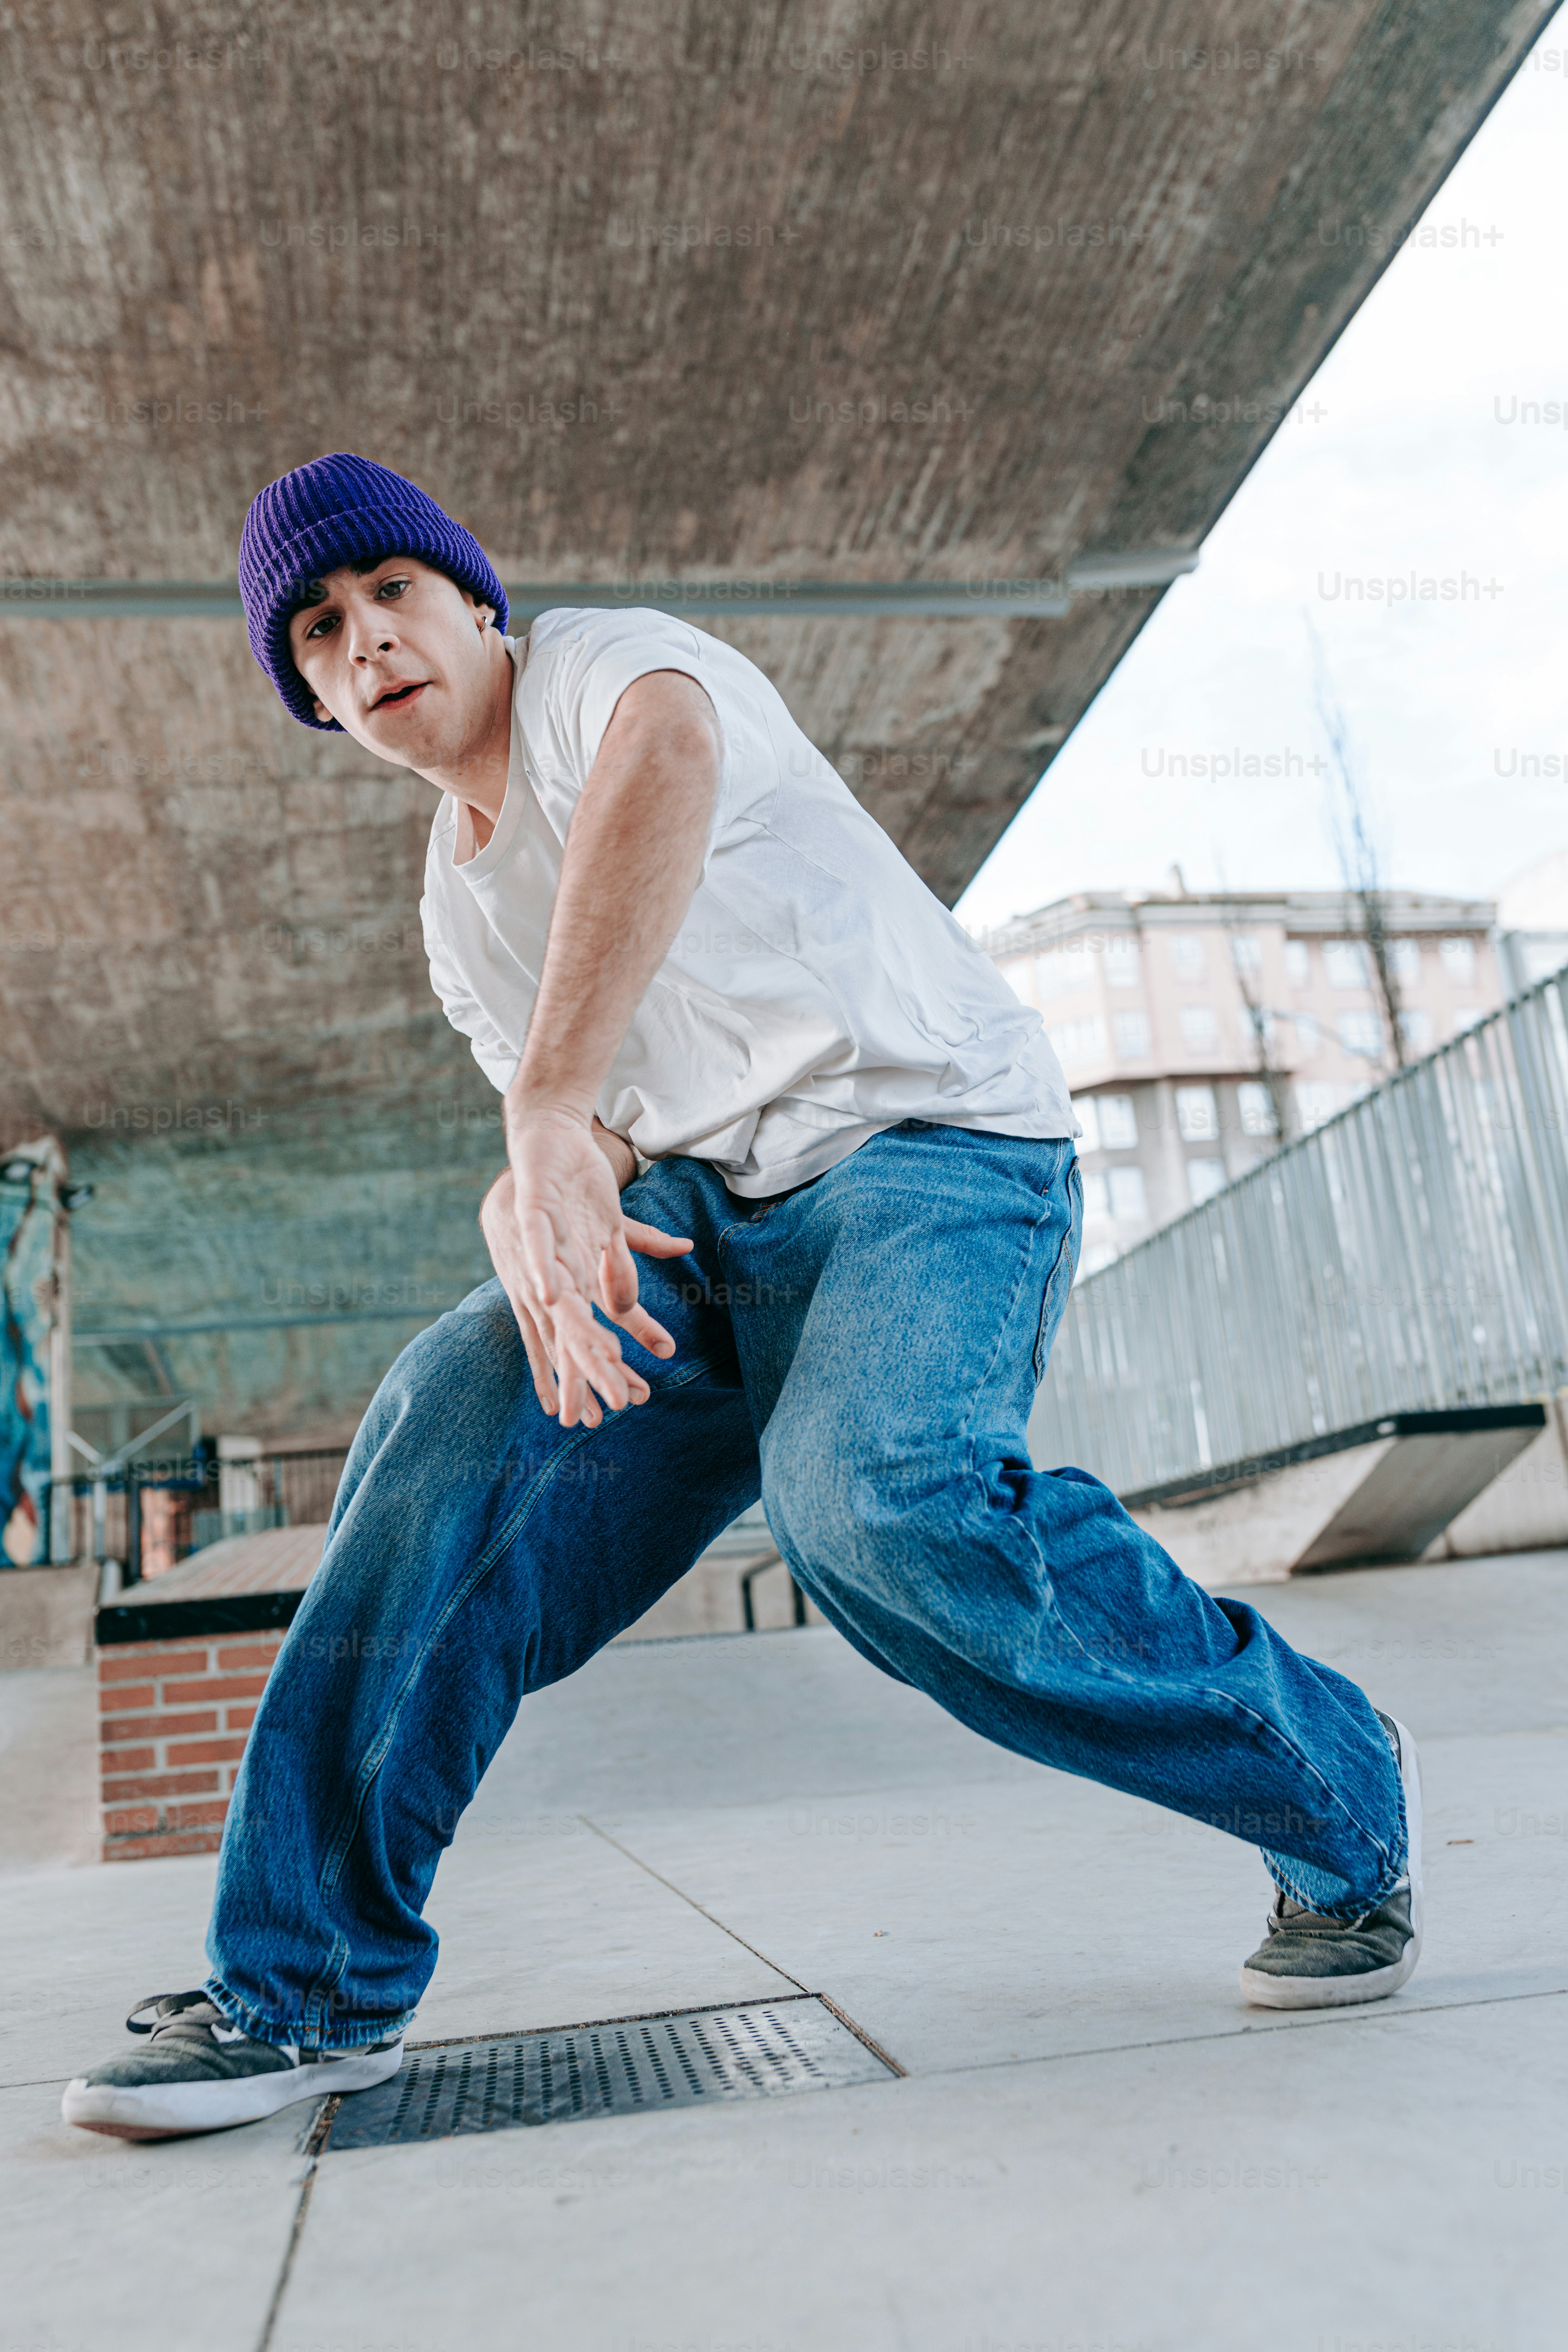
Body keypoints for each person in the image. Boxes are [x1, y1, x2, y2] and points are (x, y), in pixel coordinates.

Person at [63, 454, 1422, 2141]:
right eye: (320, 638)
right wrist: (527, 1211)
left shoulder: (607, 674)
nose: (368, 645)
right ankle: (299, 1997)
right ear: (321, 708)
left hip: (929, 1150)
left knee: (874, 1514)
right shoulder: (449, 899)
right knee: (444, 1428)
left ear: (475, 601)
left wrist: (546, 1113)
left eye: (392, 595)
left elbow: (664, 771)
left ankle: (1334, 1786)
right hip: (711, 1215)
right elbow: (586, 1140)